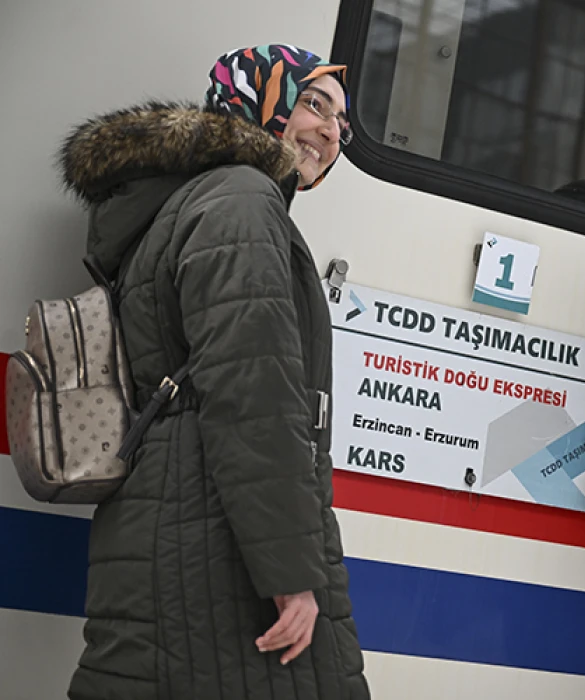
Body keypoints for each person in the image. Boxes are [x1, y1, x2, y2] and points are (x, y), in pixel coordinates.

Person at [60, 44, 369, 700]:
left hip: (177, 522)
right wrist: (291, 571)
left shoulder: (198, 200)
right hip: (215, 551)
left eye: (342, 121)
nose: (330, 130)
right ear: (260, 101)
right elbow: (252, 394)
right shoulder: (242, 200)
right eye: (313, 103)